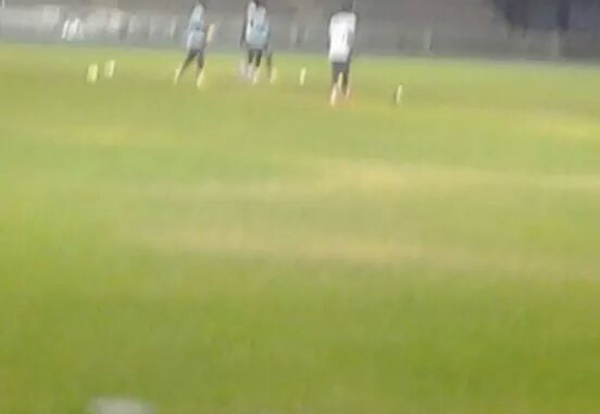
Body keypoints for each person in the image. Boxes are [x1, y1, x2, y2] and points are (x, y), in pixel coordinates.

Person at [174, 1, 212, 87]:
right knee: (197, 56)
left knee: (193, 56)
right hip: (196, 35)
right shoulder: (198, 10)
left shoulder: (198, 10)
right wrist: (205, 28)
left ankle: (181, 72)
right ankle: (197, 79)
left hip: (196, 35)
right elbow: (196, 23)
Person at [328, 1, 357, 105]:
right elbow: (350, 35)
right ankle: (344, 93)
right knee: (345, 72)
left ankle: (333, 93)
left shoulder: (334, 18)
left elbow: (330, 33)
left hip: (334, 48)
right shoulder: (351, 18)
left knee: (335, 73)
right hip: (344, 49)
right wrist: (351, 49)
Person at [241, 0, 274, 83]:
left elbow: (262, 23)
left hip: (257, 33)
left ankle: (253, 74)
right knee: (254, 54)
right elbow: (249, 21)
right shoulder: (253, 8)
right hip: (255, 33)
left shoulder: (261, 10)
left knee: (255, 54)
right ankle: (251, 74)